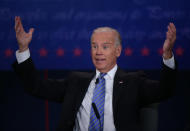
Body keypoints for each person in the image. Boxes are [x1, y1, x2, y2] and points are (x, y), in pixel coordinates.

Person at [13, 16, 177, 131]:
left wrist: (167, 54)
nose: (98, 52)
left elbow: (165, 90)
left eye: (105, 47)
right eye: (94, 46)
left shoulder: (133, 82)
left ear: (118, 51)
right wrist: (23, 49)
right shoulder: (76, 81)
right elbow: (36, 87)